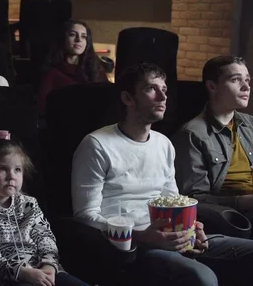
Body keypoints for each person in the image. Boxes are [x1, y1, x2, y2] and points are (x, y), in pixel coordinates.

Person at [71, 63, 253, 286]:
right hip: (134, 247)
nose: (162, 96)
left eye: (164, 89)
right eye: (151, 89)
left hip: (174, 236)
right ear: (128, 98)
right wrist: (140, 235)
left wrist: (192, 228)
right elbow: (85, 216)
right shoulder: (97, 144)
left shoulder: (163, 143)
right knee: (202, 278)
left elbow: (175, 201)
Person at [0, 135, 88, 286]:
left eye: (17, 170)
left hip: (44, 270)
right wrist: (22, 272)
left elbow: (45, 237)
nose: (11, 176)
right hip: (9, 277)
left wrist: (49, 265)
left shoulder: (29, 204)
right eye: (2, 169)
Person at [173, 56, 253, 223]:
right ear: (212, 86)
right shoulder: (192, 134)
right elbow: (194, 198)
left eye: (247, 80)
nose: (246, 87)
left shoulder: (250, 124)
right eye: (236, 80)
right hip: (235, 216)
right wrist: (243, 201)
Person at [38, 20, 108, 115]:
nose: (79, 40)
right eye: (72, 35)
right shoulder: (52, 72)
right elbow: (42, 107)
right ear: (63, 39)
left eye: (83, 36)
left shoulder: (96, 69)